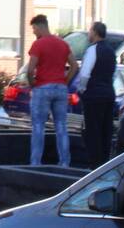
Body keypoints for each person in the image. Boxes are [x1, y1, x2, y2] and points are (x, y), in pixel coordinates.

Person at [25, 14, 78, 167]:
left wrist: (33, 85)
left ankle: (35, 163)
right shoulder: (63, 44)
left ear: (40, 27)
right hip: (60, 89)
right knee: (61, 126)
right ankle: (64, 163)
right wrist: (65, 83)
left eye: (34, 29)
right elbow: (74, 66)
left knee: (38, 126)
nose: (34, 32)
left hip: (42, 88)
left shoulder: (38, 44)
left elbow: (30, 70)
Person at [76, 21, 115, 168]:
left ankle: (95, 165)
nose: (88, 34)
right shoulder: (111, 51)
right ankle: (105, 164)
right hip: (108, 94)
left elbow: (85, 73)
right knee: (106, 131)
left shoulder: (93, 50)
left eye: (89, 30)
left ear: (95, 32)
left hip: (93, 96)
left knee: (93, 131)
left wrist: (82, 89)